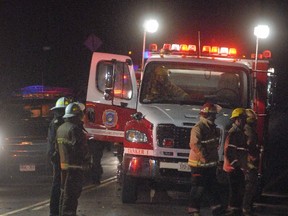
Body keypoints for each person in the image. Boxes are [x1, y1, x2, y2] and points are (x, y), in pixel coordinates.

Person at [187, 102, 226, 216]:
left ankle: (217, 209)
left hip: (210, 164)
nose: (215, 116)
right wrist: (204, 157)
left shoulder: (212, 127)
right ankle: (193, 210)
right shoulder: (199, 128)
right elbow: (194, 144)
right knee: (198, 187)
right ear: (207, 115)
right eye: (213, 114)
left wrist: (215, 162)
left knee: (212, 186)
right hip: (198, 164)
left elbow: (213, 146)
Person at [56, 102, 89, 216]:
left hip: (63, 168)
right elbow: (79, 149)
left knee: (64, 195)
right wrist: (86, 160)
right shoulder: (75, 129)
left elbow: (56, 150)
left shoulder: (60, 129)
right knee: (71, 197)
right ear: (76, 116)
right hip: (74, 169)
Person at [223, 108, 251, 216]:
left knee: (238, 192)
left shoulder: (239, 133)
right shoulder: (234, 133)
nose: (245, 121)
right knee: (235, 192)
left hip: (237, 167)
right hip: (233, 168)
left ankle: (236, 211)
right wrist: (237, 166)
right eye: (243, 119)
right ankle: (232, 212)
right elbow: (230, 152)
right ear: (237, 120)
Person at [47, 97, 71, 216]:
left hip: (58, 157)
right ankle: (56, 212)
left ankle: (57, 212)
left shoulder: (56, 123)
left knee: (59, 185)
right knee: (60, 186)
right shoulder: (59, 124)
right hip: (59, 158)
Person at [242, 109, 260, 215]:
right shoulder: (248, 130)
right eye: (253, 119)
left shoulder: (247, 129)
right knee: (249, 186)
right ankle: (246, 207)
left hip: (249, 161)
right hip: (249, 163)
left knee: (250, 185)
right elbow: (248, 145)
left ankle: (247, 206)